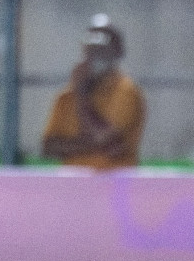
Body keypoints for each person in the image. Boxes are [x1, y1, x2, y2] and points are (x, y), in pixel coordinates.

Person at [41, 15, 144, 169]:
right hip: (75, 185)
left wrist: (82, 97)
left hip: (115, 185)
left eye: (103, 49)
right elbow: (49, 147)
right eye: (91, 49)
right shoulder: (67, 95)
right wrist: (96, 145)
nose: (95, 55)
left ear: (117, 51)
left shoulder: (126, 91)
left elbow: (105, 138)